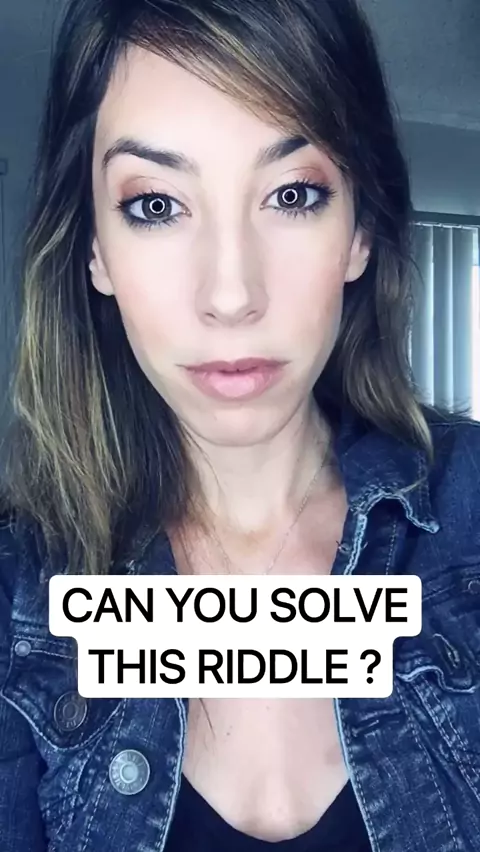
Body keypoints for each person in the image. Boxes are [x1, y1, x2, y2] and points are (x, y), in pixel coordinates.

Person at [0, 0, 479, 849]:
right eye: (156, 205)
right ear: (95, 250)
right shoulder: (20, 586)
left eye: (292, 195)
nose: (230, 295)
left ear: (361, 232)